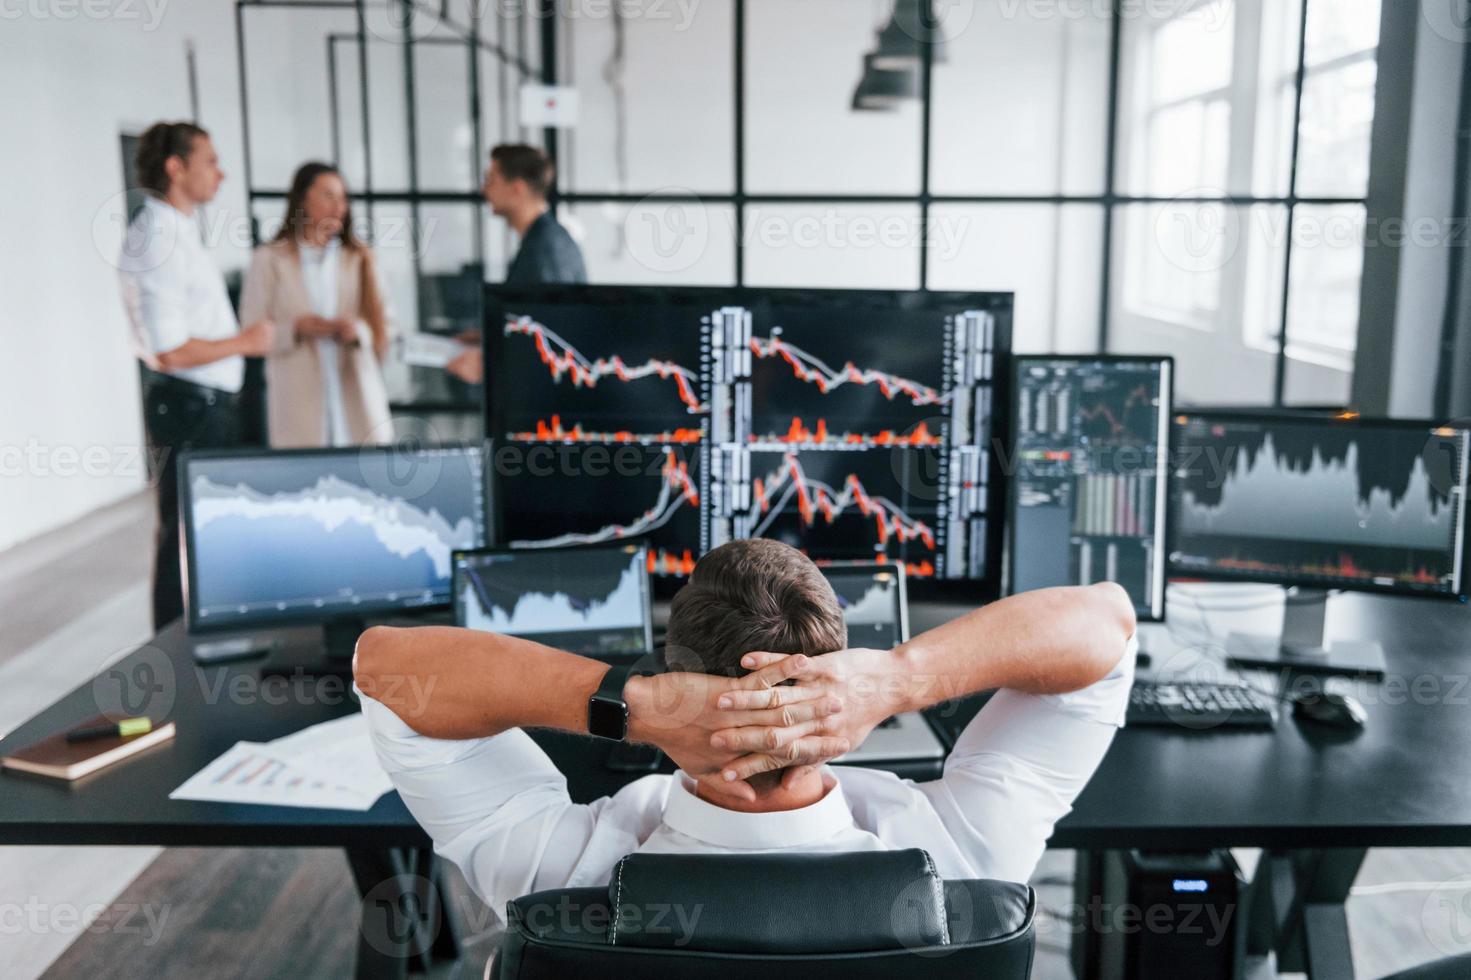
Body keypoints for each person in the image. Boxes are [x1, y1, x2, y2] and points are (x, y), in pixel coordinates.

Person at [354, 538, 1136, 928]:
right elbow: (1106, 625)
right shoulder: (964, 857)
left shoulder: (560, 876)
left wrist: (630, 706)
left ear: (673, 666)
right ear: (839, 680)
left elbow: (383, 666)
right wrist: (901, 679)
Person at [118, 121, 275, 631]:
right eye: (210, 161)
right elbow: (167, 350)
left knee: (201, 534)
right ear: (175, 167)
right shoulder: (157, 237)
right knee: (183, 536)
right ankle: (171, 660)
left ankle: (202, 649)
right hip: (189, 407)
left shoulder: (175, 230)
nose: (221, 174)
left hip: (205, 406)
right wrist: (245, 343)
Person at [237, 162, 392, 447]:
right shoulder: (269, 259)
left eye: (343, 198)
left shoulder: (361, 259)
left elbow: (385, 326)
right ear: (303, 199)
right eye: (328, 195)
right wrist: (296, 329)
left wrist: (358, 331)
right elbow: (250, 330)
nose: (339, 207)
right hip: (297, 404)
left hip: (356, 397)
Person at [445, 144, 586, 384]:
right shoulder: (545, 240)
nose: (484, 190)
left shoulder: (544, 251)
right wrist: (487, 336)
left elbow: (550, 338)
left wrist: (487, 362)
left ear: (517, 189)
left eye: (491, 180)